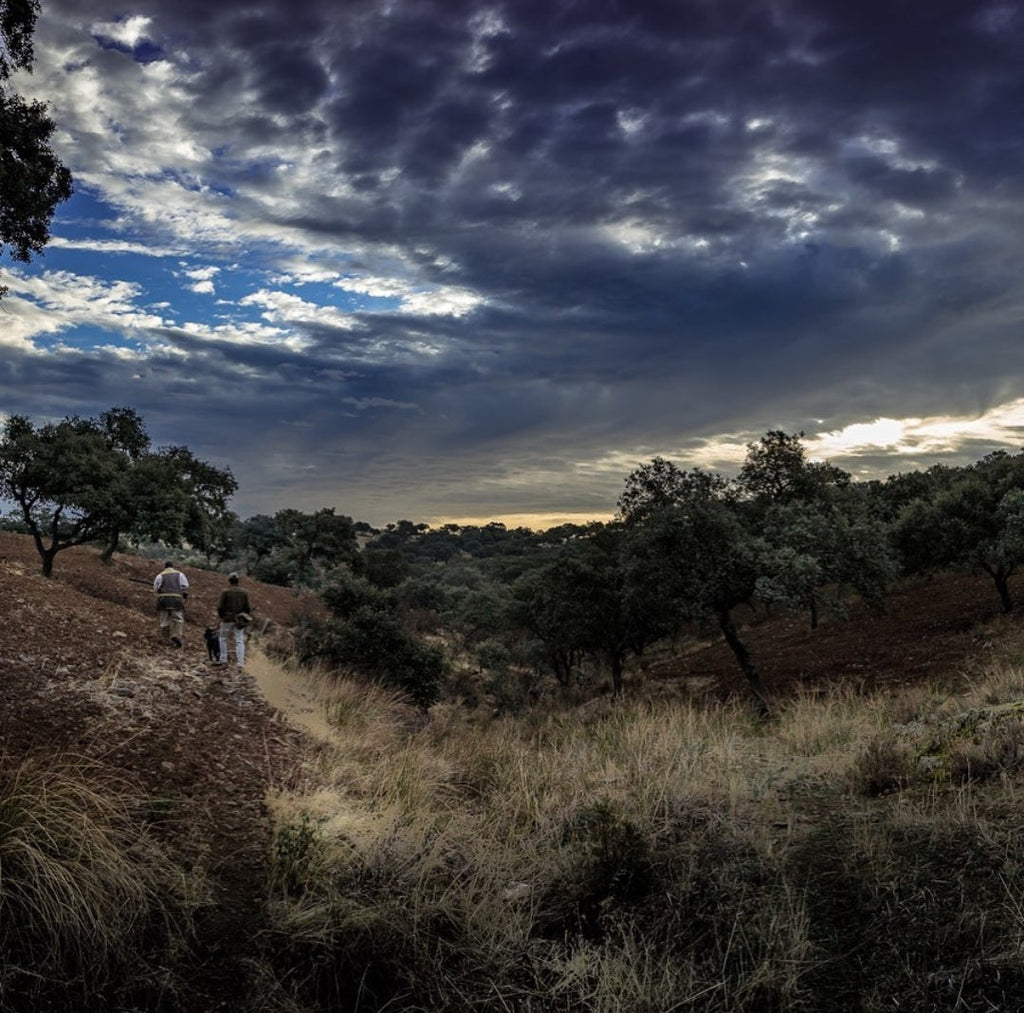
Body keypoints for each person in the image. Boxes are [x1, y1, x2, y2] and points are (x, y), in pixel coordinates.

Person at [217, 572, 252, 668]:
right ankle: (240, 663)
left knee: (223, 638)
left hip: (227, 619)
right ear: (238, 581)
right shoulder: (244, 592)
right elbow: (248, 608)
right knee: (239, 640)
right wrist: (244, 617)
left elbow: (220, 607)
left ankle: (223, 659)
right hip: (239, 620)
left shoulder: (225, 592)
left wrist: (222, 616)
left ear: (229, 581)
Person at [153, 561, 189, 648]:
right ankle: (176, 635)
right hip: (176, 599)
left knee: (164, 620)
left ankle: (166, 639)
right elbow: (185, 586)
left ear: (165, 567)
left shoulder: (160, 575)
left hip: (163, 600)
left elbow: (155, 588)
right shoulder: (180, 574)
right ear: (173, 566)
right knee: (178, 618)